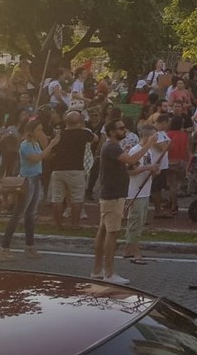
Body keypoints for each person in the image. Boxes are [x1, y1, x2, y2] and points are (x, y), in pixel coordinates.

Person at [92, 119, 157, 284]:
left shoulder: (112, 146)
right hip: (113, 195)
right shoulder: (112, 146)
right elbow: (131, 160)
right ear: (112, 131)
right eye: (120, 128)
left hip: (112, 194)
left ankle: (98, 270)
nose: (124, 130)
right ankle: (109, 273)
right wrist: (148, 145)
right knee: (111, 233)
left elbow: (126, 161)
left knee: (104, 230)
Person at [0, 119, 61, 261]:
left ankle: (29, 246)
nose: (41, 132)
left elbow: (45, 156)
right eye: (38, 130)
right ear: (31, 131)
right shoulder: (25, 145)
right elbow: (36, 158)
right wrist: (51, 144)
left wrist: (51, 143)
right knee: (18, 214)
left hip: (36, 179)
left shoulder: (36, 144)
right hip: (27, 181)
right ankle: (4, 247)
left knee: (31, 214)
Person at [49, 110, 97, 230]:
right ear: (80, 121)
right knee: (77, 197)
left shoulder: (58, 134)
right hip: (76, 169)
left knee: (57, 197)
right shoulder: (83, 133)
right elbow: (95, 138)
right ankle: (74, 224)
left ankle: (58, 224)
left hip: (58, 168)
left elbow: (52, 151)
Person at [122, 126, 160, 265]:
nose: (157, 139)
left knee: (140, 221)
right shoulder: (136, 151)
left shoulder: (149, 151)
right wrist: (147, 168)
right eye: (155, 136)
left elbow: (148, 168)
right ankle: (135, 251)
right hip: (135, 192)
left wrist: (154, 170)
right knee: (135, 221)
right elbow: (130, 171)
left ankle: (128, 249)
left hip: (145, 190)